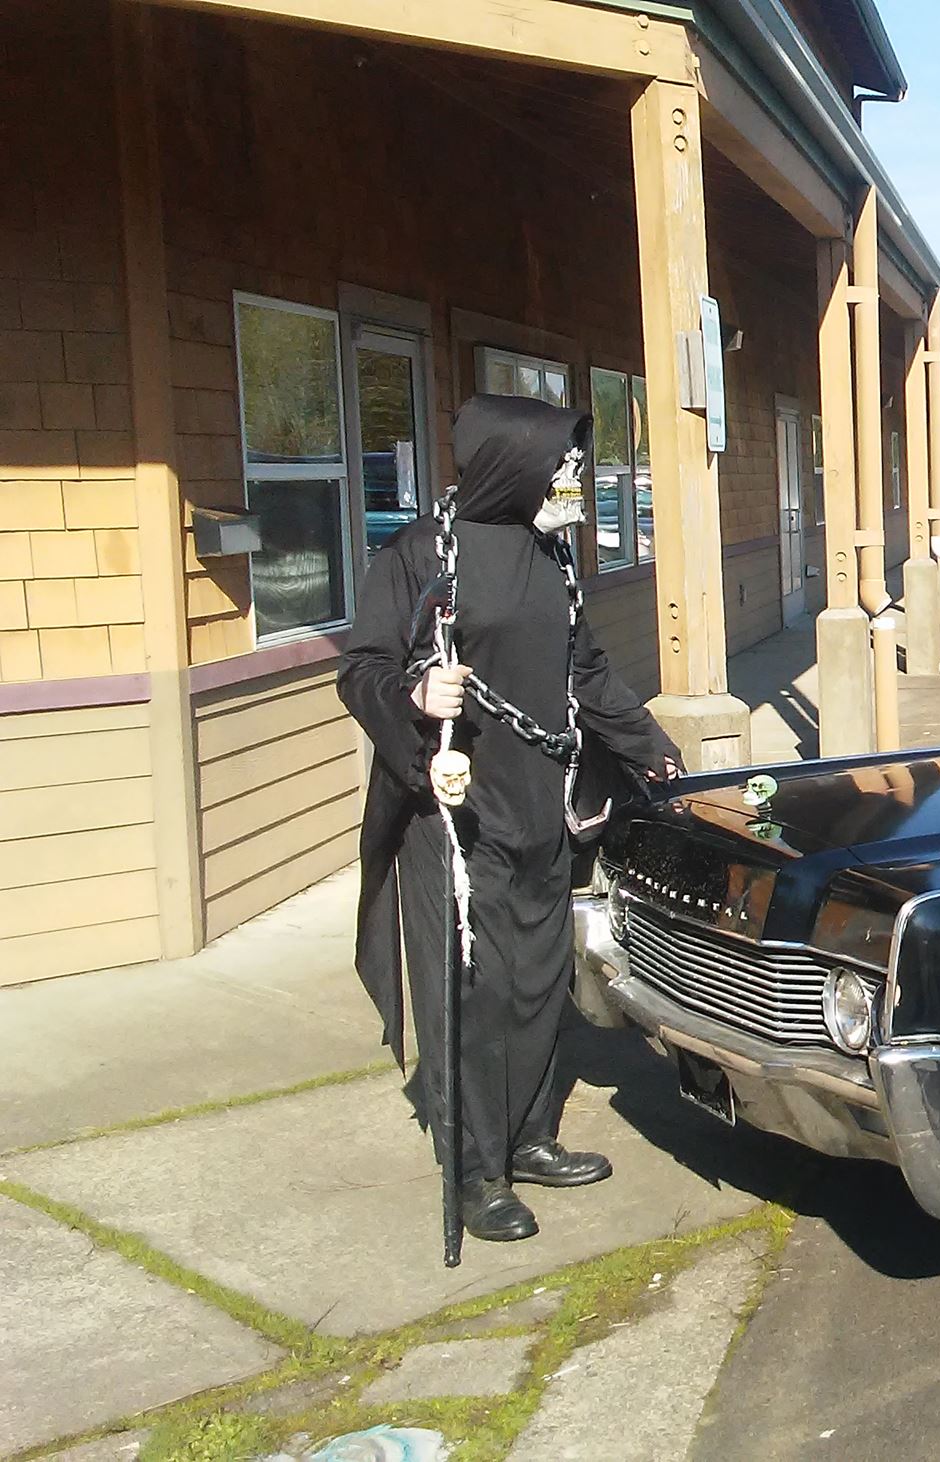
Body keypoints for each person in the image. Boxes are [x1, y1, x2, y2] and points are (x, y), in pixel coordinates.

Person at [340, 394, 679, 1245]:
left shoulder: (548, 554)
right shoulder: (421, 554)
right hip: (454, 819)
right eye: (560, 463)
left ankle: (528, 1138)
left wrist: (653, 751)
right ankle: (473, 1173)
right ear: (512, 463)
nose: (572, 477)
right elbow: (361, 667)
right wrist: (413, 694)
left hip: (544, 810)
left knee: (537, 982)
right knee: (472, 993)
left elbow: (587, 670)